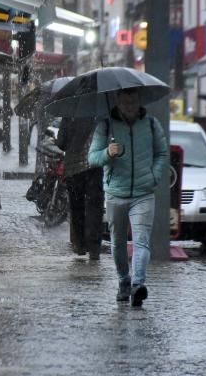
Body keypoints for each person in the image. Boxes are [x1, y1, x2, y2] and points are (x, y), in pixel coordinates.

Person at [88, 88, 168, 307]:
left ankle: (138, 284)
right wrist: (107, 153)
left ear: (139, 101)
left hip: (144, 193)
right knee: (118, 244)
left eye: (133, 102)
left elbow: (162, 153)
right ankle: (124, 280)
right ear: (118, 102)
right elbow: (92, 158)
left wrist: (154, 175)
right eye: (126, 102)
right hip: (115, 193)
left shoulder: (151, 124)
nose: (130, 106)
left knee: (141, 241)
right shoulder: (106, 126)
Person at [56, 117, 104, 260]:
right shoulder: (99, 113)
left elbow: (61, 144)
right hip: (94, 167)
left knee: (77, 207)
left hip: (74, 168)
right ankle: (94, 247)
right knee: (95, 207)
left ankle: (80, 244)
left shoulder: (70, 114)